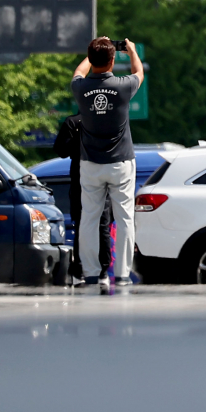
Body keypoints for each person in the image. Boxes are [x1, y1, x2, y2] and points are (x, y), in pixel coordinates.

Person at [70, 37, 143, 288]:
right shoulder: (123, 86)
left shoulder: (80, 88)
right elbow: (139, 72)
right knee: (124, 218)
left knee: (89, 217)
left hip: (90, 163)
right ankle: (122, 274)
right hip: (120, 162)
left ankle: (91, 273)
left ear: (91, 60)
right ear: (113, 60)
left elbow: (79, 72)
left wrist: (92, 54)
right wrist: (131, 51)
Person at [54, 114, 112, 285]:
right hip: (102, 178)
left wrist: (78, 142)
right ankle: (101, 270)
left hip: (82, 179)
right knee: (101, 224)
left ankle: (82, 269)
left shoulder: (74, 122)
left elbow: (61, 149)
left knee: (84, 223)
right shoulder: (109, 120)